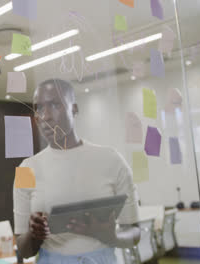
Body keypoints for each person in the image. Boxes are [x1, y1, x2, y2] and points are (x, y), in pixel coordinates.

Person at [13, 79, 140, 263]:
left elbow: (134, 232)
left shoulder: (111, 160)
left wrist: (109, 236)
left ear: (74, 109)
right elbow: (24, 251)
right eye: (39, 108)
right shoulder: (26, 169)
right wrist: (34, 235)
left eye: (55, 105)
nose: (45, 116)